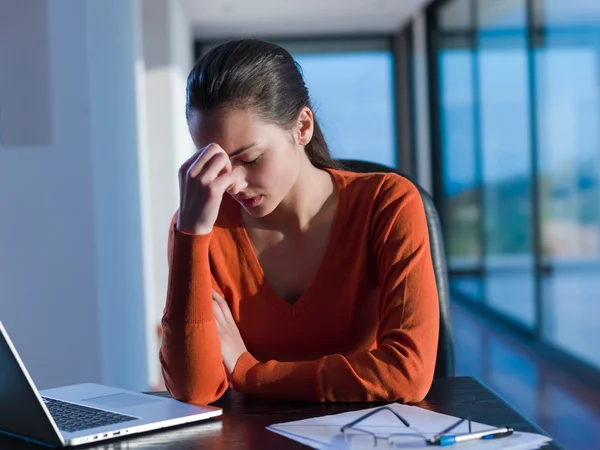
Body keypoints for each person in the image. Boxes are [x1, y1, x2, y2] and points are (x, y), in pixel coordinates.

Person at [159, 39, 439, 405]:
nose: (234, 183)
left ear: (302, 127)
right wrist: (191, 234)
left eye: (251, 158)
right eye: (217, 163)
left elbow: (407, 374)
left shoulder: (387, 204)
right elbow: (194, 389)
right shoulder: (200, 228)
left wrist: (250, 373)